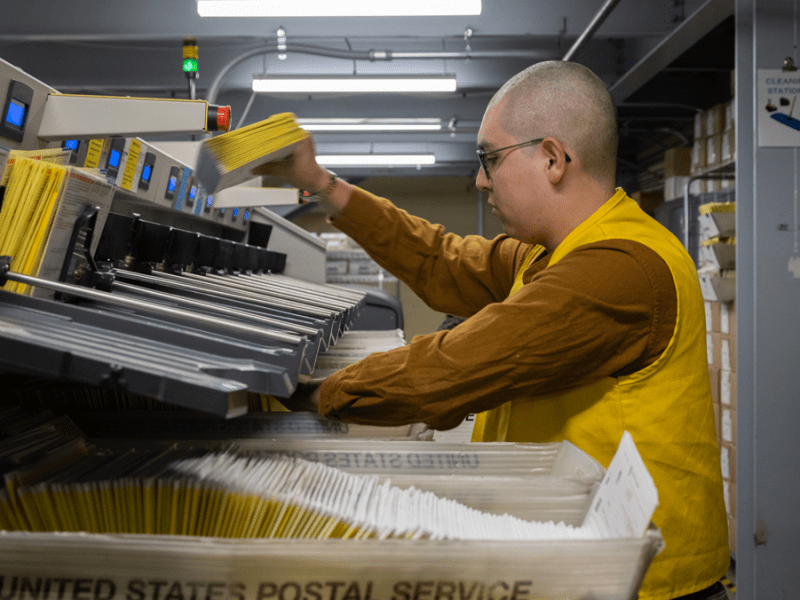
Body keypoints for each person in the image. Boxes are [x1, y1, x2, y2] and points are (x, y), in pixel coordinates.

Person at [258, 60, 729, 600]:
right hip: (582, 565)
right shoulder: (549, 254)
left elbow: (453, 366)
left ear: (552, 158)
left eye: (490, 158)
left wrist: (300, 393)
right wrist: (322, 185)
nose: (480, 178)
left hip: (646, 584)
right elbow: (442, 261)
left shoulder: (620, 270)